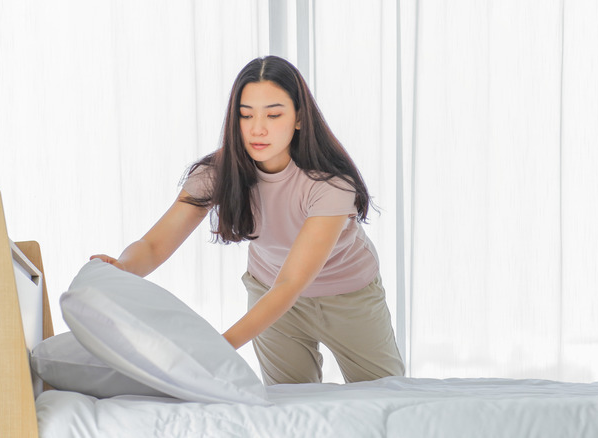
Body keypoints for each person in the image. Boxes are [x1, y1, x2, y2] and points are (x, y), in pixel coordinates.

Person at [91, 55, 404, 385]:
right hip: (269, 292)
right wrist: (122, 269)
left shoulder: (329, 185)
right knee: (287, 408)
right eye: (246, 115)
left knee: (388, 396)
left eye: (273, 114)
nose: (257, 128)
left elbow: (292, 283)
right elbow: (154, 245)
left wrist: (217, 349)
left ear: (299, 118)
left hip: (349, 297)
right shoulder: (215, 174)